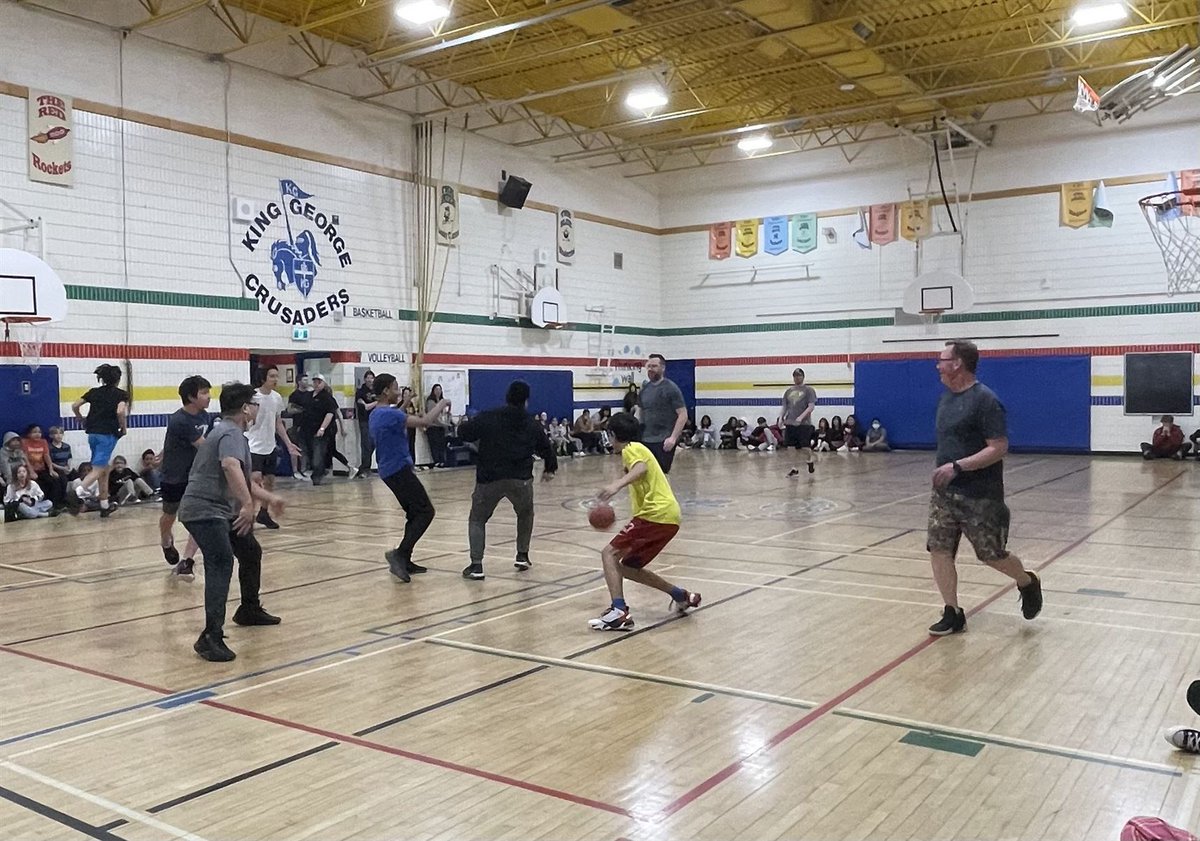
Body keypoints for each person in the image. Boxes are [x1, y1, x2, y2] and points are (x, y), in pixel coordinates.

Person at [927, 340, 1042, 636]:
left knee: (991, 555)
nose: (938, 365)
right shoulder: (945, 399)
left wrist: (958, 466)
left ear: (958, 364)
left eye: (942, 360)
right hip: (944, 494)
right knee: (939, 550)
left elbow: (999, 447)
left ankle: (1026, 581)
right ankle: (952, 612)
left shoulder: (986, 400)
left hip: (980, 495)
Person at [179, 382, 286, 662]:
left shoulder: (229, 432)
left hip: (218, 510)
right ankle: (210, 636)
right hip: (204, 510)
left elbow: (240, 478)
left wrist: (268, 498)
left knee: (250, 551)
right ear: (244, 409)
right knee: (221, 562)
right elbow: (229, 466)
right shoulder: (230, 432)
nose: (256, 408)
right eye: (254, 403)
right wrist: (249, 506)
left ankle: (249, 609)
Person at [591, 412, 701, 631]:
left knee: (608, 553)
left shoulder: (632, 448)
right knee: (628, 568)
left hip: (655, 514)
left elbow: (641, 467)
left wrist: (616, 485)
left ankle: (619, 611)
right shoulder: (636, 449)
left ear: (613, 435)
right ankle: (681, 596)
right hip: (668, 518)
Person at [457, 380, 558, 580]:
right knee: (525, 513)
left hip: (489, 478)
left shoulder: (489, 416)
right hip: (520, 479)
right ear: (526, 401)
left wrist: (464, 424)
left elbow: (464, 434)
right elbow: (547, 447)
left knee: (478, 519)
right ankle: (522, 555)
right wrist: (550, 467)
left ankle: (476, 565)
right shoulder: (531, 423)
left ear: (507, 397)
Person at [370, 374, 451, 582]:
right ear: (387, 391)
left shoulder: (377, 413)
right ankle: (399, 553)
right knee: (426, 511)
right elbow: (424, 421)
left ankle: (405, 559)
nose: (398, 391)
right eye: (395, 388)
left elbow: (395, 414)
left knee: (414, 513)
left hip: (388, 469)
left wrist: (406, 401)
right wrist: (442, 403)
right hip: (399, 469)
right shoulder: (391, 415)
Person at [160, 375, 213, 581]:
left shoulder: (205, 416)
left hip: (195, 475)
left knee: (199, 517)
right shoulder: (180, 420)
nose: (209, 397)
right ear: (191, 397)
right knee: (169, 515)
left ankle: (187, 561)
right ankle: (165, 541)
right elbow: (204, 445)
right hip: (175, 474)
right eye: (204, 393)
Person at [69, 363, 129, 518]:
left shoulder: (94, 392)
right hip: (107, 434)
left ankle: (104, 505)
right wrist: (123, 427)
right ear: (118, 379)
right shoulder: (121, 394)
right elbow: (120, 411)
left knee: (104, 468)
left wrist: (80, 419)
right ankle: (78, 492)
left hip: (92, 434)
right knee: (99, 469)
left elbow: (75, 405)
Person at [246, 365, 300, 525]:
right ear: (263, 378)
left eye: (277, 376)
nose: (275, 379)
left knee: (269, 481)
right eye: (272, 376)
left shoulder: (276, 398)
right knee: (254, 481)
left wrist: (289, 444)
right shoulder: (254, 397)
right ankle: (249, 514)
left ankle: (263, 512)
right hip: (253, 445)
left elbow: (278, 423)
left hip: (269, 445)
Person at [638, 354, 687, 474]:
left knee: (660, 474)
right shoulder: (645, 389)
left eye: (654, 366)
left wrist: (673, 438)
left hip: (663, 440)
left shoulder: (671, 388)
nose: (650, 369)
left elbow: (683, 414)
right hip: (646, 439)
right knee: (644, 473)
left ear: (663, 368)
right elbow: (640, 411)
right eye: (648, 366)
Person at [304, 373, 340, 485]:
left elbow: (330, 414)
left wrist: (322, 428)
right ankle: (318, 471)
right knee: (310, 453)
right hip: (308, 430)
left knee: (318, 454)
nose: (316, 384)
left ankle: (317, 476)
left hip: (321, 431)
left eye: (319, 382)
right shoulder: (309, 396)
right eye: (315, 382)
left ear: (323, 383)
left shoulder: (327, 397)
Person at [781, 368, 817, 476]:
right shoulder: (788, 391)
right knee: (791, 447)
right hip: (790, 422)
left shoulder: (808, 390)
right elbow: (785, 407)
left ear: (803, 377)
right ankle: (794, 468)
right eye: (795, 376)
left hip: (804, 424)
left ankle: (809, 460)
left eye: (799, 375)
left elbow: (811, 406)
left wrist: (801, 417)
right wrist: (781, 417)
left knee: (805, 447)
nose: (797, 378)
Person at [22, 424, 67, 509]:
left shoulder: (43, 442)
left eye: (39, 432)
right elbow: (25, 459)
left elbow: (46, 456)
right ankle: (45, 505)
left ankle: (56, 504)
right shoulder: (25, 442)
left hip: (42, 469)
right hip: (29, 470)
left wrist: (51, 470)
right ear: (28, 434)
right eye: (34, 432)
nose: (37, 434)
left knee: (57, 479)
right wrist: (31, 471)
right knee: (42, 483)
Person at [354, 371, 378, 478]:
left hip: (376, 420)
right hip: (365, 421)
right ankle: (364, 469)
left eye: (372, 378)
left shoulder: (377, 390)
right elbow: (366, 407)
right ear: (364, 379)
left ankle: (364, 466)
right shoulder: (360, 392)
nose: (370, 380)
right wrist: (377, 402)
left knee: (374, 444)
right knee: (366, 445)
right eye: (368, 378)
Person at [425, 384, 453, 468]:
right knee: (435, 445)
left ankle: (442, 461)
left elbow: (446, 412)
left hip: (442, 426)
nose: (438, 391)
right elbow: (433, 417)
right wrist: (444, 425)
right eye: (436, 390)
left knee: (442, 445)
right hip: (433, 426)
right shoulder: (430, 402)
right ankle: (437, 461)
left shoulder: (442, 401)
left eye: (439, 389)